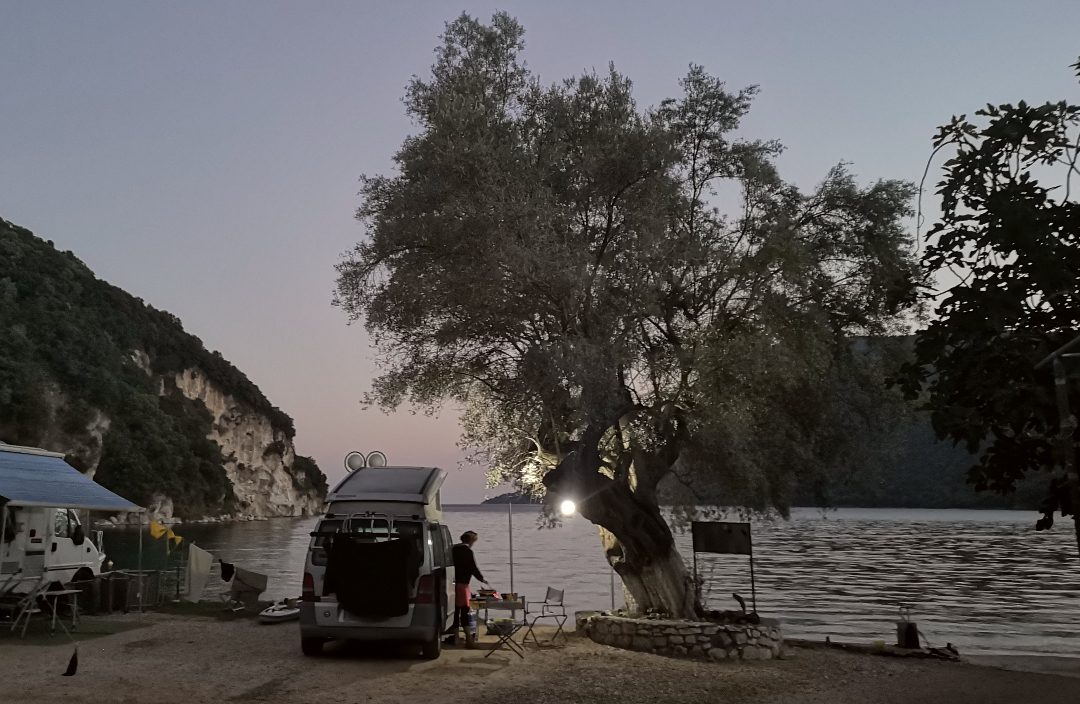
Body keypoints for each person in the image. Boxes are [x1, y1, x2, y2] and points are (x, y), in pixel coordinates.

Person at [445, 530, 488, 648]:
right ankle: (469, 640)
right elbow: (473, 568)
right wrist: (482, 579)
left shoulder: (453, 549)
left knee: (454, 612)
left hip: (451, 584)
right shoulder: (467, 552)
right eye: (474, 541)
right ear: (470, 541)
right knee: (464, 612)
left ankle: (456, 638)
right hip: (462, 585)